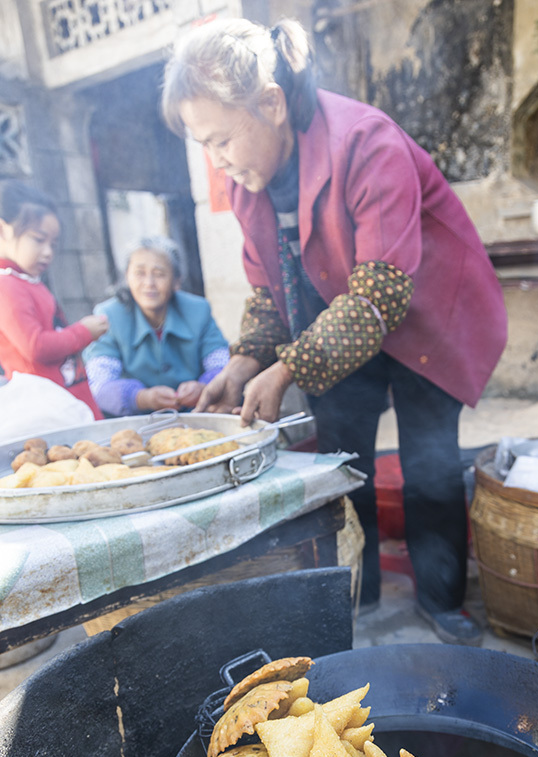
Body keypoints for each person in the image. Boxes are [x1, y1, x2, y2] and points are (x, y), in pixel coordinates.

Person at [161, 18, 507, 644]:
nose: (217, 160)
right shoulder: (248, 186)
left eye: (222, 140)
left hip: (425, 319)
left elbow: (379, 295)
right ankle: (358, 590)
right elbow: (268, 289)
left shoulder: (366, 143)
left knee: (429, 462)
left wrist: (287, 370)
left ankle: (442, 600)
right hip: (338, 329)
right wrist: (242, 363)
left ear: (270, 104)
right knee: (343, 462)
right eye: (204, 146)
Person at [84, 235, 229, 416]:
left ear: (176, 281)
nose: (149, 284)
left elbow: (222, 367)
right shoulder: (108, 316)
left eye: (159, 274)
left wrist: (204, 387)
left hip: (195, 415)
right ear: (127, 277)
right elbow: (99, 384)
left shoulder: (198, 310)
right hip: (136, 423)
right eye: (140, 273)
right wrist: (141, 398)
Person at [0, 179, 107, 419]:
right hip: (45, 411)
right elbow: (35, 347)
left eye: (53, 244)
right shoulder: (6, 285)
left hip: (66, 399)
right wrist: (83, 332)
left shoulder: (27, 280)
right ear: (3, 230)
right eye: (38, 240)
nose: (48, 252)